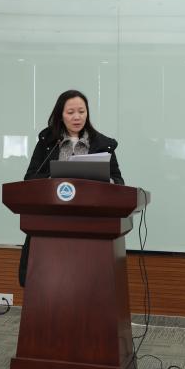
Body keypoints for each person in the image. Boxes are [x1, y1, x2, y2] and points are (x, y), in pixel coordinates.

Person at [18, 89, 124, 286]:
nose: (77, 117)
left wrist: (106, 183)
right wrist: (52, 180)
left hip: (91, 224)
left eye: (82, 112)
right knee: (51, 283)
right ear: (61, 115)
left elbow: (118, 182)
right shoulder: (47, 143)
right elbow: (30, 179)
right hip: (51, 222)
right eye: (70, 112)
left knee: (86, 283)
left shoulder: (103, 145)